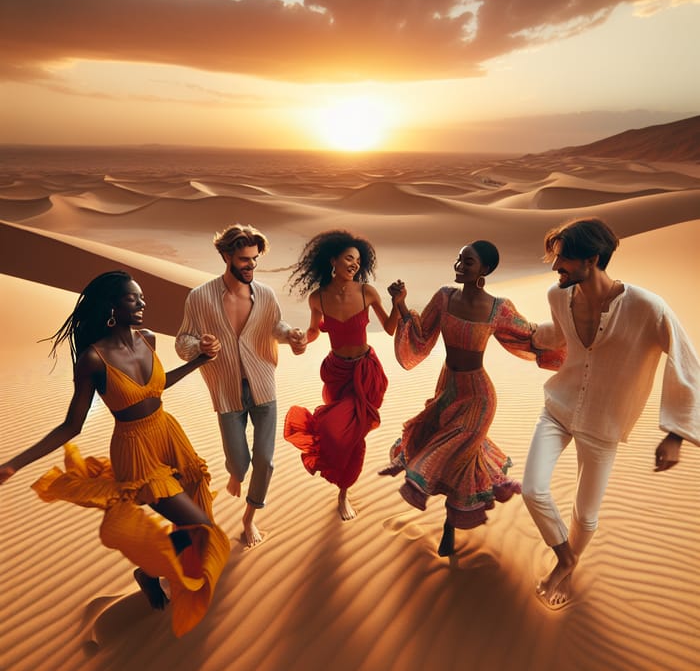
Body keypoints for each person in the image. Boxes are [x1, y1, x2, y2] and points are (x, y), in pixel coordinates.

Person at [0, 271, 230, 638]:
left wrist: (199, 361)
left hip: (168, 435)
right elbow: (71, 425)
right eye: (132, 299)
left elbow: (156, 386)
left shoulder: (148, 338)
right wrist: (14, 463)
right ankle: (157, 574)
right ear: (111, 307)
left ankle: (154, 573)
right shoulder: (93, 359)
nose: (142, 304)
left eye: (141, 298)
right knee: (199, 525)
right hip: (135, 450)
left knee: (196, 516)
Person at [522, 217, 700, 609]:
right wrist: (513, 331)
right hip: (558, 407)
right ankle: (565, 560)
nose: (555, 268)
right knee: (532, 489)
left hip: (604, 422)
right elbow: (555, 334)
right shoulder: (557, 295)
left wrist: (675, 435)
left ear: (593, 258)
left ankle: (571, 564)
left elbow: (687, 362)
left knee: (585, 518)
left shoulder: (647, 308)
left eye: (563, 259)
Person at [381, 241, 564, 556]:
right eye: (458, 259)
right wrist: (400, 304)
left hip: (478, 398)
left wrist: (572, 333)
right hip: (447, 390)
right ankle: (451, 522)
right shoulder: (444, 297)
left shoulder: (498, 308)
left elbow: (530, 335)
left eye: (468, 262)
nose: (459, 265)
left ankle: (449, 530)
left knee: (457, 459)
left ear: (485, 271)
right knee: (444, 455)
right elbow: (422, 335)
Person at [175, 224, 305, 548]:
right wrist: (198, 346)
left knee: (265, 460)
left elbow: (275, 326)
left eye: (254, 260)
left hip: (263, 385)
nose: (251, 266)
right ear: (226, 256)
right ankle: (236, 471)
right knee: (239, 462)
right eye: (245, 259)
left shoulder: (266, 295)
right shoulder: (200, 297)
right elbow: (182, 341)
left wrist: (290, 336)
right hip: (226, 390)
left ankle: (249, 518)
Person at [283, 229, 400, 520]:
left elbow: (390, 328)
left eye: (358, 261)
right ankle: (338, 476)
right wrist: (299, 342)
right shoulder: (318, 299)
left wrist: (398, 303)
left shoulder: (366, 292)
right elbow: (312, 332)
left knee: (354, 435)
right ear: (333, 260)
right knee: (335, 434)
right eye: (349, 258)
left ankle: (344, 492)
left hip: (365, 372)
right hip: (337, 373)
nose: (354, 265)